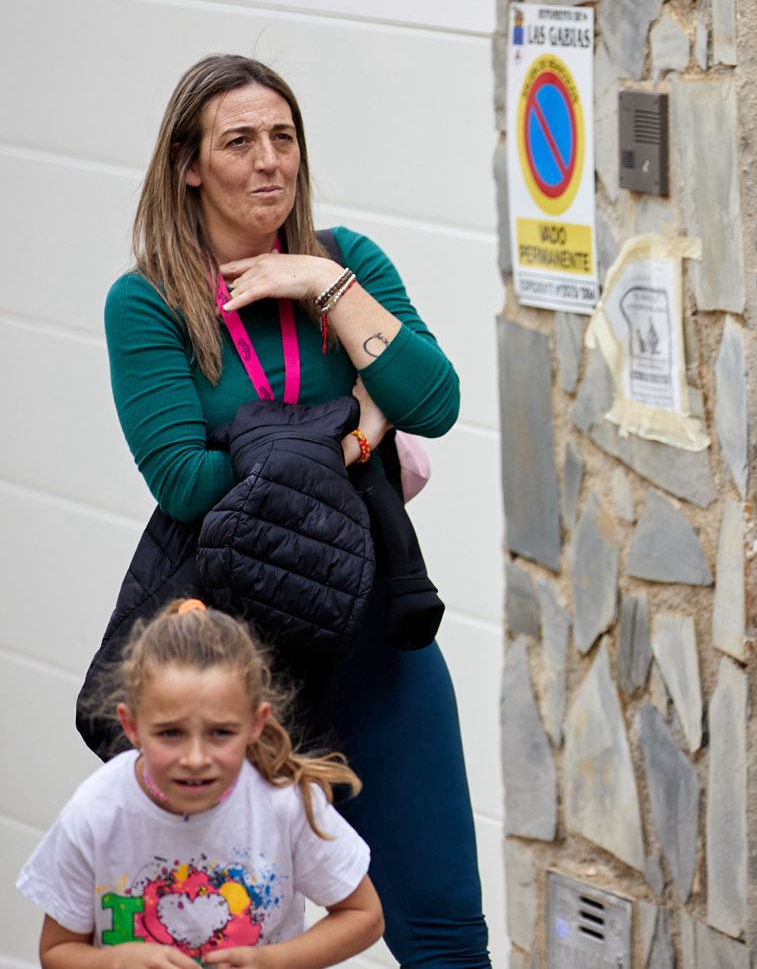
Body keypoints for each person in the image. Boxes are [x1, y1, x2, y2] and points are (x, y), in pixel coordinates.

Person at [95, 54, 488, 965]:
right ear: (190, 164)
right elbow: (185, 481)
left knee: (443, 931)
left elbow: (432, 403)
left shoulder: (347, 262)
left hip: (380, 638)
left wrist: (322, 286)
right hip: (238, 672)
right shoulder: (148, 303)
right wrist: (351, 430)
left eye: (283, 137)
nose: (269, 160)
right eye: (239, 141)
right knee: (229, 937)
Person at [19, 599, 383, 966]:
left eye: (220, 732)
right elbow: (56, 952)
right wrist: (116, 962)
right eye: (171, 733)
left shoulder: (284, 803)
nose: (195, 759)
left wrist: (272, 961)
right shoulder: (95, 813)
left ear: (256, 724)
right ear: (132, 727)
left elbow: (364, 917)